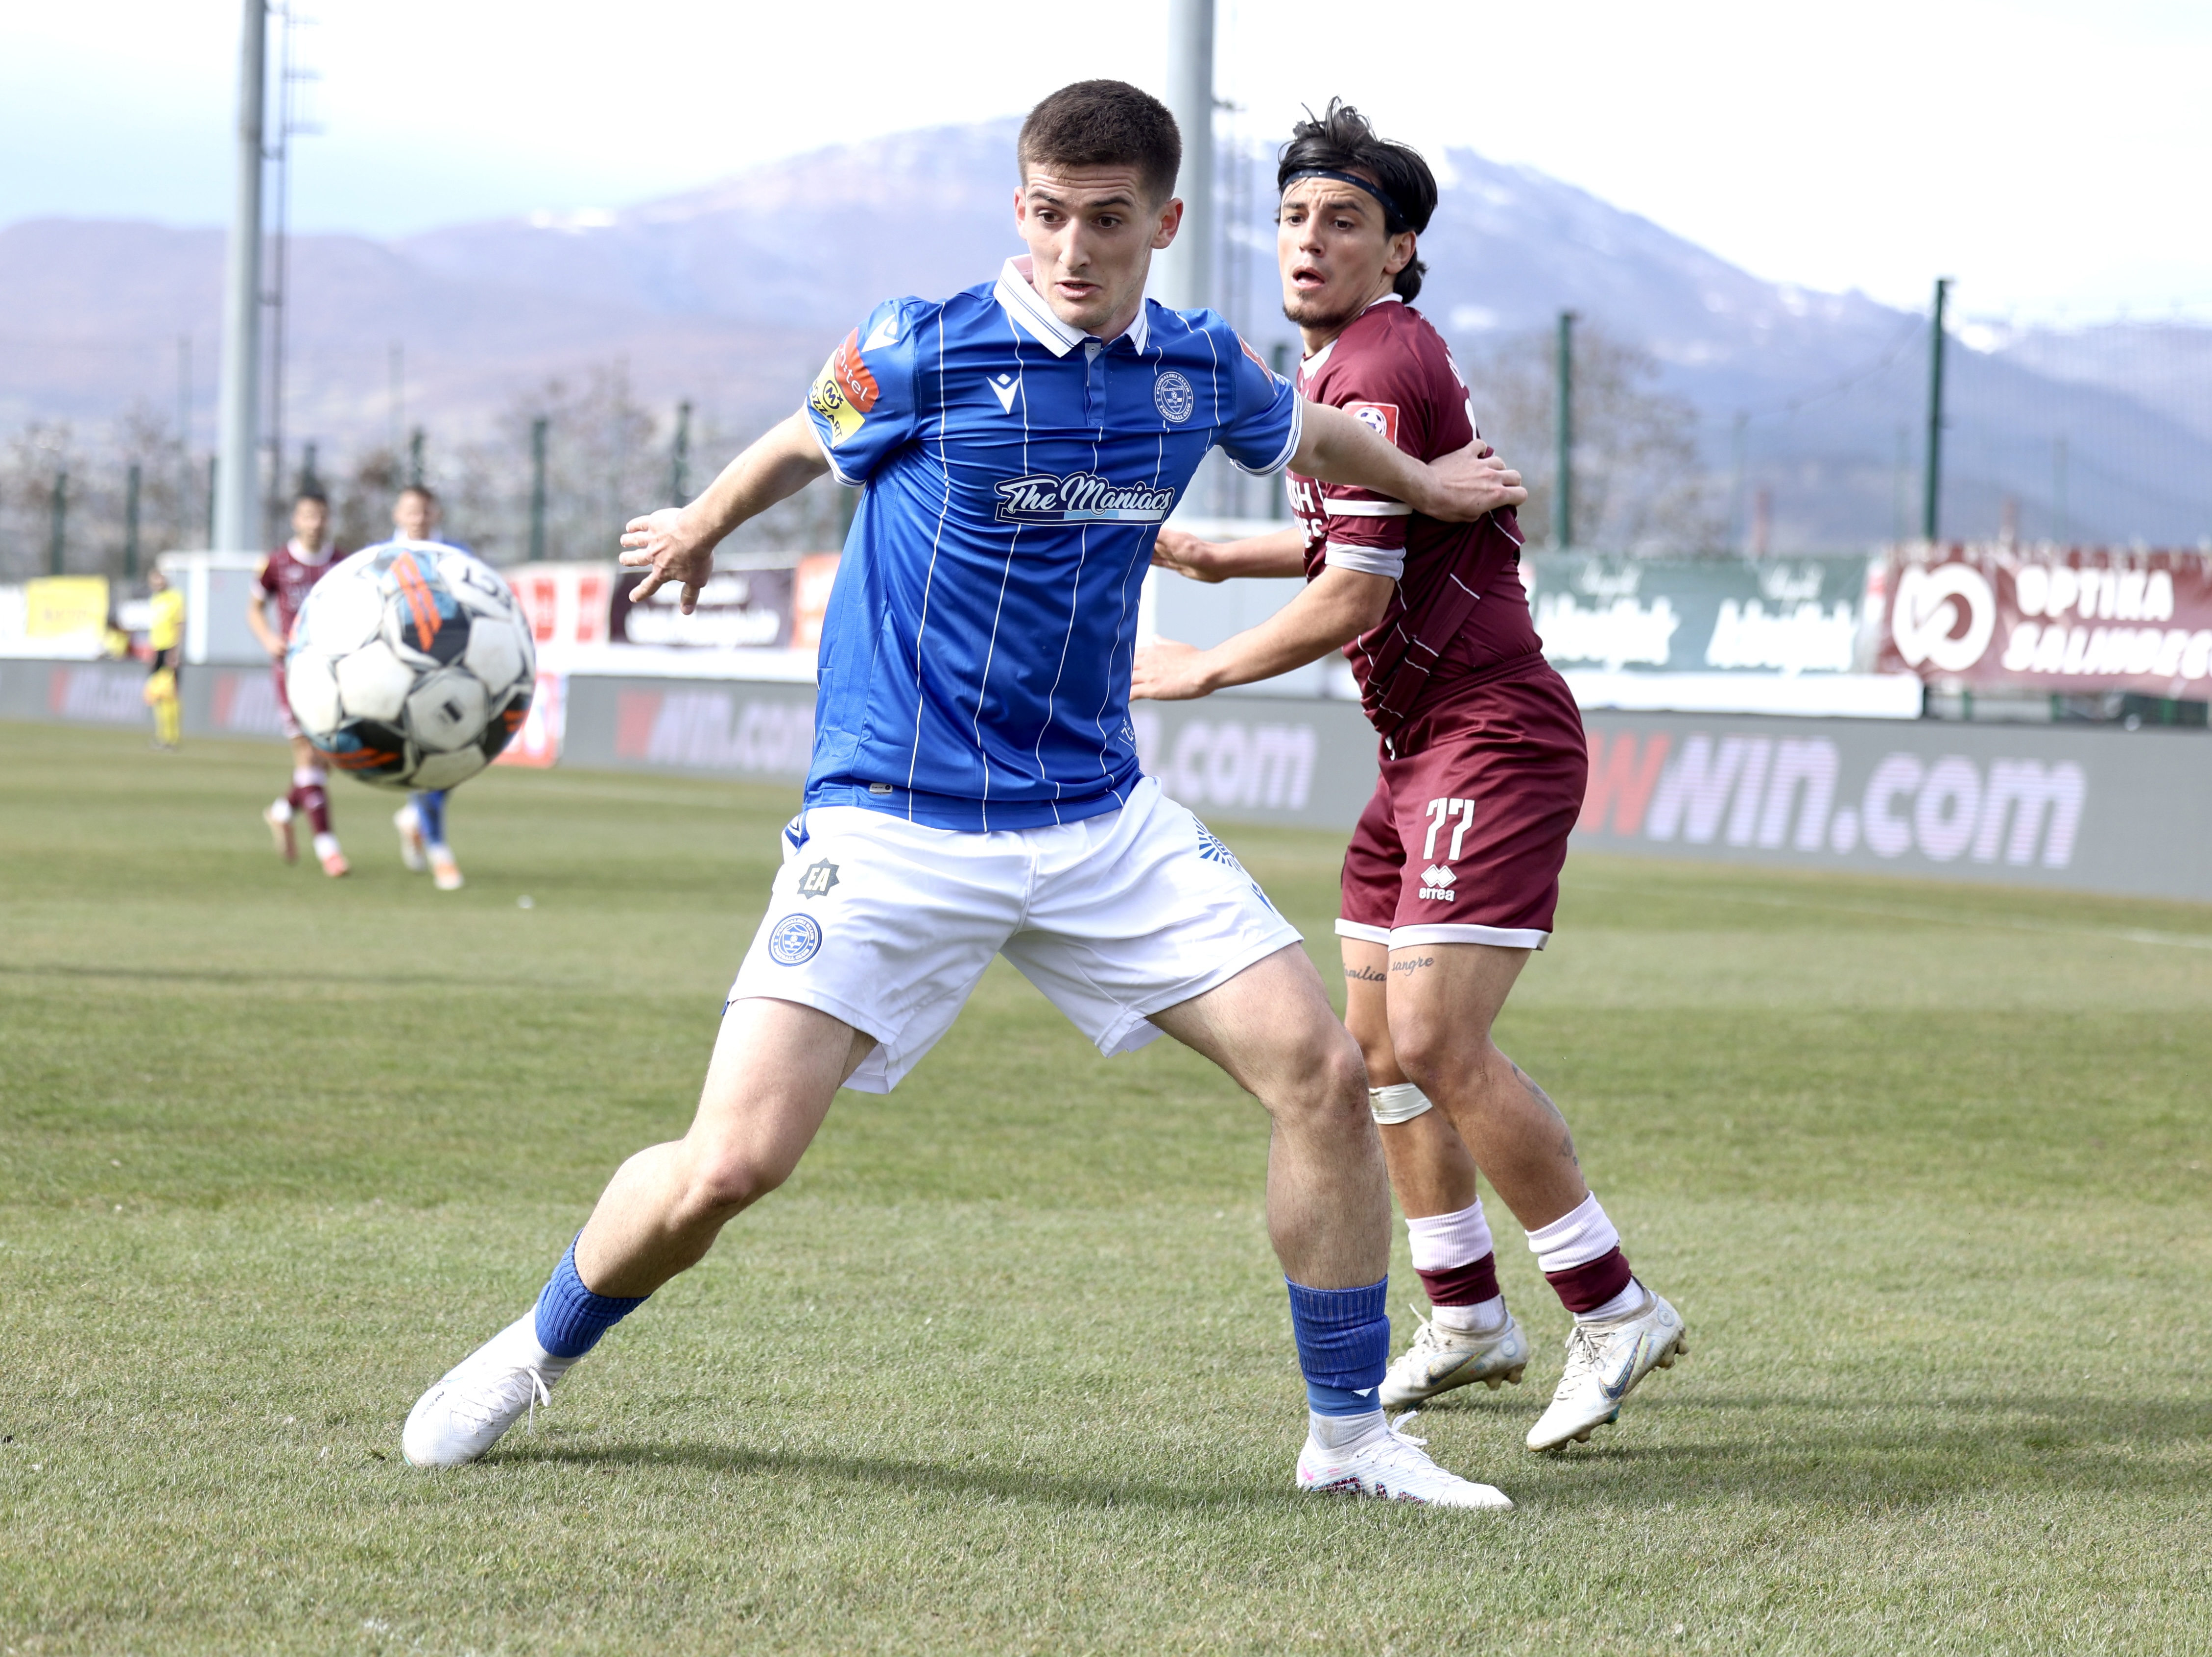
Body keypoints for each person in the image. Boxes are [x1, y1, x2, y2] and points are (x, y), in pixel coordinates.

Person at [400, 81, 1532, 1507]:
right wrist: (695, 523)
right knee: (731, 1165)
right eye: (1050, 216)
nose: (1075, 248)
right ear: (1021, 210)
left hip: (1096, 821)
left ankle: (1350, 1432)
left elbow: (1311, 438)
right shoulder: (923, 346)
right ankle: (535, 1346)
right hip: (894, 819)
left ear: (1164, 225)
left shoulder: (1195, 368)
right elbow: (803, 440)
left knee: (1318, 1070)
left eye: (1108, 221)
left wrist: (1425, 485)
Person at [1136, 101, 1689, 1454]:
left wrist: (1200, 669)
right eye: (1291, 217)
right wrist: (1221, 555)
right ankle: (1465, 1314)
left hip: (1487, 737)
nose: (1308, 241)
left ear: (1400, 250)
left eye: (1342, 221)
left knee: (1439, 1040)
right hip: (1416, 754)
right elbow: (1357, 530)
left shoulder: (1374, 365)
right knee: (1377, 1051)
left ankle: (1613, 1307)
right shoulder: (1356, 366)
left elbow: (1359, 597)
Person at [248, 485, 348, 877]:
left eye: (321, 516)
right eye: (308, 516)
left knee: (330, 758)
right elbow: (254, 608)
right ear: (296, 520)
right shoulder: (277, 562)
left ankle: (282, 811)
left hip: (333, 672)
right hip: (292, 672)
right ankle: (329, 849)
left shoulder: (342, 563)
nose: (314, 523)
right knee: (308, 755)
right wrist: (268, 638)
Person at [384, 483, 466, 891]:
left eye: (425, 511)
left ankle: (414, 819)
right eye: (411, 510)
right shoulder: (379, 558)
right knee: (424, 757)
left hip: (452, 669)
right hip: (398, 672)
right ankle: (439, 851)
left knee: (456, 755)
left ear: (436, 514)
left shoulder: (455, 555)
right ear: (398, 514)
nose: (418, 517)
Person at [142, 567, 186, 751]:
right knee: (157, 695)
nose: (156, 584)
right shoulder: (155, 600)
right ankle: (162, 735)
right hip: (156, 650)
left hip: (170, 649)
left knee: (170, 695)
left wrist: (175, 652)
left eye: (159, 580)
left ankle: (172, 737)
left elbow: (180, 625)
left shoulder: (175, 598)